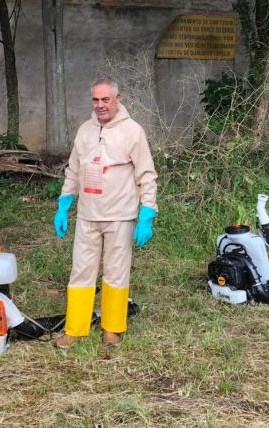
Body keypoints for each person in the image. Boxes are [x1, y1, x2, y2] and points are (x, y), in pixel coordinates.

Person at [52, 76, 158, 348]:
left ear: (117, 99)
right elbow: (73, 170)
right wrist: (65, 203)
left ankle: (112, 328)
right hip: (87, 215)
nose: (100, 105)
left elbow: (146, 175)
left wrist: (147, 213)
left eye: (105, 99)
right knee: (81, 272)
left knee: (116, 272)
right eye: (96, 100)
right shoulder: (85, 131)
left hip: (119, 215)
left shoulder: (133, 131)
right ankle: (74, 329)